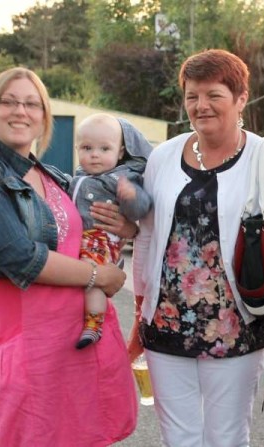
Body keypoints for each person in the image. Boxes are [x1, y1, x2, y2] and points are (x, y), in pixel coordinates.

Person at [0, 67, 137, 446]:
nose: (20, 111)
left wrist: (126, 227)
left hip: (82, 338)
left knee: (89, 436)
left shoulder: (57, 176)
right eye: (9, 101)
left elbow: (98, 229)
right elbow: (18, 257)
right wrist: (97, 276)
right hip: (33, 349)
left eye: (31, 104)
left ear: (43, 117)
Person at [128, 49, 264, 447]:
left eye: (213, 95)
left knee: (226, 436)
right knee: (179, 436)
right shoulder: (165, 155)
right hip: (166, 321)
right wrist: (141, 306)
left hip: (235, 323)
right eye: (192, 96)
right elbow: (149, 236)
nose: (201, 105)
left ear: (240, 99)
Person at [70, 113, 153, 349]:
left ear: (119, 152)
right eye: (87, 148)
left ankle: (94, 323)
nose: (94, 154)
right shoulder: (78, 177)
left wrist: (131, 197)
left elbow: (141, 208)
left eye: (104, 149)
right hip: (78, 239)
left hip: (100, 239)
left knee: (93, 276)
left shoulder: (122, 178)